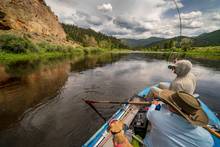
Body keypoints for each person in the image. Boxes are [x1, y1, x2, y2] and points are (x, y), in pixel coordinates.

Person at [143, 90, 214, 147]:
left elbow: (153, 110)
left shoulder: (156, 115)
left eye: (169, 102)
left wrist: (156, 102)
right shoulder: (207, 139)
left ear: (172, 108)